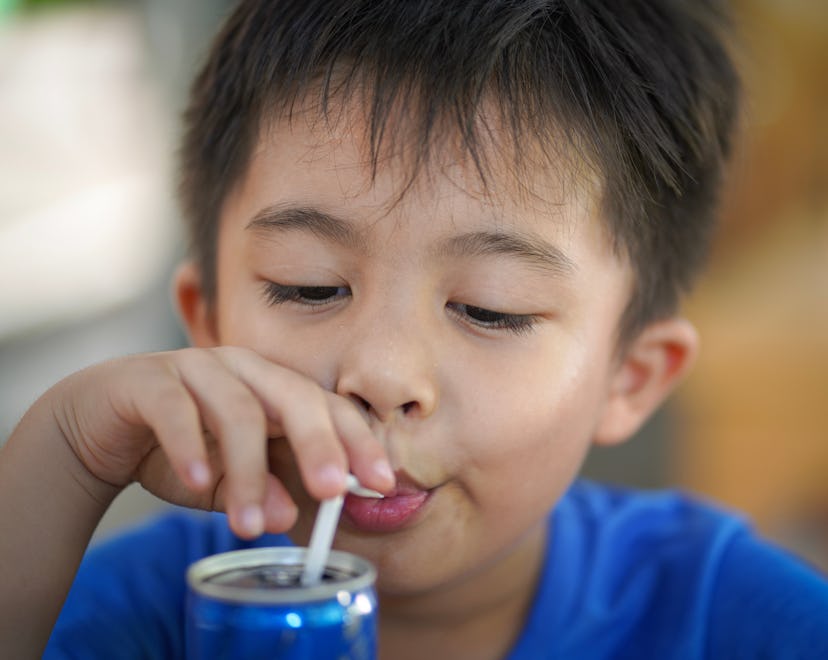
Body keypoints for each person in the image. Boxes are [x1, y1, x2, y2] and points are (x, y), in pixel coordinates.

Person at [2, 0, 827, 657]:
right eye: (308, 286)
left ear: (629, 376)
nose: (384, 374)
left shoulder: (735, 620)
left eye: (490, 308)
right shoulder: (144, 611)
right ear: (207, 325)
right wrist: (64, 457)